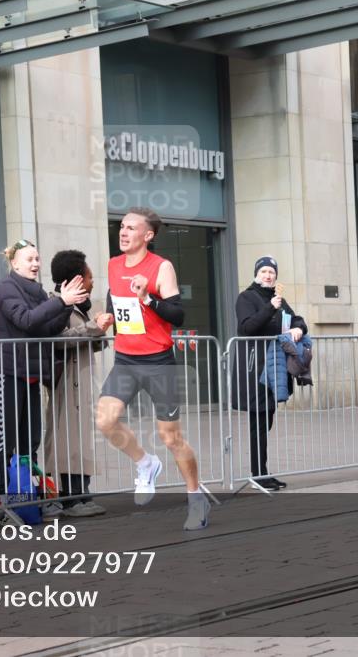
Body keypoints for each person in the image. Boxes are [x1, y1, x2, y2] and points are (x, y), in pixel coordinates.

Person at [95, 208, 209, 531]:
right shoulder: (114, 264)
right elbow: (115, 298)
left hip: (158, 362)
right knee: (105, 419)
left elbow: (178, 315)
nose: (123, 231)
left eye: (131, 227)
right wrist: (106, 317)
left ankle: (195, 499)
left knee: (171, 437)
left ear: (148, 235)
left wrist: (147, 298)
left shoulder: (161, 267)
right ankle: (146, 464)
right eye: (122, 226)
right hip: (126, 359)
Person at [0, 239, 87, 497]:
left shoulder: (39, 292)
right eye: (29, 259)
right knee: (5, 437)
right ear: (14, 263)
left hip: (30, 373)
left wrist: (66, 306)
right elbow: (26, 320)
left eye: (37, 259)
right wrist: (61, 301)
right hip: (7, 372)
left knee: (30, 438)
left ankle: (27, 491)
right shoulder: (7, 288)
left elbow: (47, 329)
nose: (35, 264)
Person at [42, 250, 113, 519]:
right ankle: (69, 497)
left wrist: (98, 329)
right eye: (89, 276)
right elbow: (58, 339)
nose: (92, 281)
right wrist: (93, 327)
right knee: (66, 438)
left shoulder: (79, 307)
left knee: (79, 439)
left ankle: (81, 493)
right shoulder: (56, 304)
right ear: (76, 279)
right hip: (65, 382)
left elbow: (86, 342)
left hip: (80, 380)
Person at [232, 256, 307, 491]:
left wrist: (298, 328)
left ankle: (263, 471)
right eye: (264, 271)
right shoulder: (246, 297)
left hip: (275, 367)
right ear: (256, 274)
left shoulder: (279, 300)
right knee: (258, 422)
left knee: (267, 421)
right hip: (256, 369)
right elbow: (247, 327)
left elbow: (298, 319)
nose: (268, 275)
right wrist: (269, 307)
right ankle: (258, 474)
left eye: (271, 272)